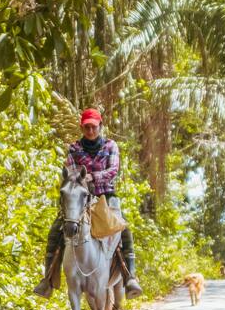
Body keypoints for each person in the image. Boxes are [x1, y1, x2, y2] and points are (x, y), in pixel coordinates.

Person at [34, 108, 143, 299]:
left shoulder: (110, 146)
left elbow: (113, 170)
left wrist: (93, 176)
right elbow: (69, 171)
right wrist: (80, 182)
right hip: (80, 198)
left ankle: (130, 277)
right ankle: (48, 280)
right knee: (56, 231)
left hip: (105, 197)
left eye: (93, 127)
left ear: (100, 126)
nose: (90, 131)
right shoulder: (74, 149)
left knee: (124, 229)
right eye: (86, 127)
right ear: (81, 128)